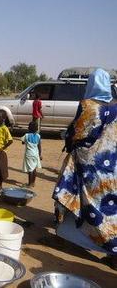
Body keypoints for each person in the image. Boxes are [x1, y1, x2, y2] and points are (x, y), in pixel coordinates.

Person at [53, 68, 117, 269]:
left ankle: (71, 237)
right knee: (108, 210)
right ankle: (112, 251)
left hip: (87, 167)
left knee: (79, 200)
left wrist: (68, 139)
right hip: (110, 170)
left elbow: (78, 133)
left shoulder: (87, 106)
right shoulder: (115, 108)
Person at [21, 121, 42, 187]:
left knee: (30, 169)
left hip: (29, 154)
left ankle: (29, 184)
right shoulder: (38, 136)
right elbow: (39, 146)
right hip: (36, 154)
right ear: (36, 129)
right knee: (34, 168)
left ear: (29, 128)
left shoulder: (26, 135)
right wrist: (40, 154)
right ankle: (33, 183)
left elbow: (22, 142)